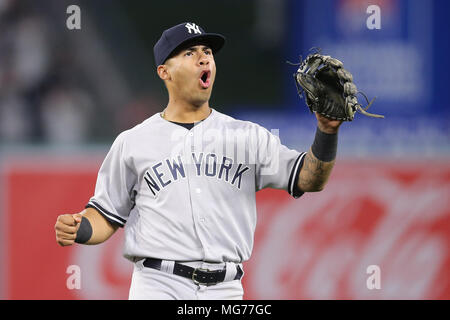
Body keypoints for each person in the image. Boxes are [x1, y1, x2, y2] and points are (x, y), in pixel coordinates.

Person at [54, 22, 342, 300]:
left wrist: (326, 132)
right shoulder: (133, 142)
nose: (203, 57)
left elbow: (309, 179)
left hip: (226, 288)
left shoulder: (249, 137)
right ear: (164, 71)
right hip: (158, 285)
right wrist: (80, 228)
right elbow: (105, 215)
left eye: (207, 51)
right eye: (189, 53)